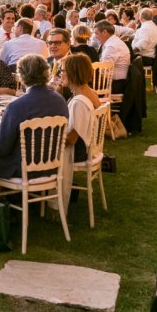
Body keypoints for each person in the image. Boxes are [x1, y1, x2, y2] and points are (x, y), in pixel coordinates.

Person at [0, 54, 69, 179]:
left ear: (22, 77)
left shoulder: (17, 106)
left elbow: (1, 149)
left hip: (20, 168)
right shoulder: (60, 101)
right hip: (52, 164)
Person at [55, 53, 102, 212]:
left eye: (62, 71)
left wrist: (51, 140)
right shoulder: (88, 92)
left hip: (79, 151)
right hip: (89, 146)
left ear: (72, 73)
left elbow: (71, 139)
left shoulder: (78, 102)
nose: (60, 74)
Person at [94, 21, 130, 94]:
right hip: (119, 81)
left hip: (116, 84)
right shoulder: (114, 41)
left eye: (97, 33)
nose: (95, 36)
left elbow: (104, 71)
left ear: (105, 32)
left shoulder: (111, 47)